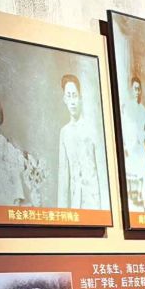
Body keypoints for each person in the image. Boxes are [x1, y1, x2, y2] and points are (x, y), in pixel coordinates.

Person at [53, 74, 109, 211]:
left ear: (80, 98)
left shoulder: (92, 129)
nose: (72, 101)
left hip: (94, 201)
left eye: (75, 96)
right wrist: (62, 212)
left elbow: (102, 171)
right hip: (75, 202)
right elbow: (63, 175)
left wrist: (106, 209)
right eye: (69, 96)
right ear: (64, 99)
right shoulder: (64, 133)